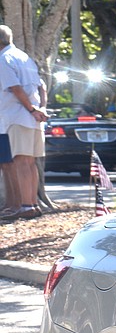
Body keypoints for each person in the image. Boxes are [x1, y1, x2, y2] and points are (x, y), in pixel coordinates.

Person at [0, 25, 48, 220]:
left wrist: (31, 109)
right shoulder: (24, 57)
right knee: (30, 162)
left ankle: (26, 206)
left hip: (18, 115)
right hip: (34, 118)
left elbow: (15, 89)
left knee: (21, 161)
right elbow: (42, 86)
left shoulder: (3, 60)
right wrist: (41, 109)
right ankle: (33, 204)